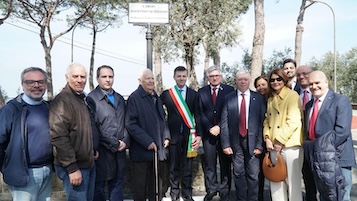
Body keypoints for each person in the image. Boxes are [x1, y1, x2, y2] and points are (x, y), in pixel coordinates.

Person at [0, 67, 53, 201]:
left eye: (40, 82)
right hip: (24, 175)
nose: (36, 85)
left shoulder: (48, 108)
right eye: (31, 82)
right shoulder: (11, 109)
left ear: (46, 84)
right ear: (22, 85)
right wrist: (7, 169)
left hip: (47, 170)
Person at [304, 71, 356, 201]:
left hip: (338, 159)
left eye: (317, 83)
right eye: (311, 84)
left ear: (326, 82)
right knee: (324, 196)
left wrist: (318, 147)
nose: (314, 86)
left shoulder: (340, 100)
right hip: (318, 161)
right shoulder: (309, 105)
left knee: (341, 197)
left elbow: (342, 131)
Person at [49, 63, 97, 201]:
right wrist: (72, 168)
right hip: (75, 167)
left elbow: (84, 129)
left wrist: (92, 149)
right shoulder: (63, 101)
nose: (80, 80)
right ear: (67, 77)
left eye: (83, 76)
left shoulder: (81, 99)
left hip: (87, 163)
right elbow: (59, 137)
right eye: (75, 76)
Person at [220, 71, 266, 201]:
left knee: (253, 174)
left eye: (245, 79)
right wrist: (226, 144)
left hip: (253, 142)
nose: (243, 81)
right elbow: (224, 123)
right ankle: (241, 198)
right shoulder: (229, 98)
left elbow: (263, 123)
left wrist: (259, 145)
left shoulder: (258, 98)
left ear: (249, 80)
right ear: (236, 81)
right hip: (235, 142)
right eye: (240, 79)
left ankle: (253, 198)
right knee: (238, 173)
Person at [125, 69, 170, 201]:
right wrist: (147, 142)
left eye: (152, 79)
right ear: (140, 81)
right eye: (147, 79)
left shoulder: (155, 97)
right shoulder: (134, 98)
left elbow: (162, 119)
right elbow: (130, 124)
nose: (150, 81)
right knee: (140, 189)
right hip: (141, 152)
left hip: (157, 152)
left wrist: (166, 136)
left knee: (156, 188)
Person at [87, 65, 129, 201]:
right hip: (103, 152)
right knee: (99, 188)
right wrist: (115, 143)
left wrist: (125, 141)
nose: (108, 80)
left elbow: (126, 122)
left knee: (118, 185)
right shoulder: (91, 99)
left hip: (120, 152)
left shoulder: (119, 98)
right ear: (97, 78)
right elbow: (95, 127)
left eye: (110, 77)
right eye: (104, 77)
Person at [160, 66, 201, 201]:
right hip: (173, 136)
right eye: (179, 76)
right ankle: (174, 193)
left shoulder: (194, 94)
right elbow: (160, 115)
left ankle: (187, 194)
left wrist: (199, 135)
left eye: (184, 76)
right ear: (174, 77)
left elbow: (198, 116)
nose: (181, 78)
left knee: (188, 167)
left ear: (187, 77)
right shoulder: (167, 94)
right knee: (173, 167)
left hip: (189, 137)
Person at [263, 68, 303, 201]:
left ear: (284, 80)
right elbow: (267, 121)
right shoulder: (270, 99)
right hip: (274, 147)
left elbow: (293, 121)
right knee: (275, 182)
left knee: (293, 184)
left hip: (290, 146)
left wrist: (279, 141)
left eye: (278, 79)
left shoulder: (292, 96)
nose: (275, 82)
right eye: (272, 80)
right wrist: (267, 138)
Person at [198, 65, 234, 201]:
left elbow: (232, 111)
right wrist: (209, 128)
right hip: (209, 135)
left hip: (225, 133)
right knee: (210, 163)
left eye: (216, 76)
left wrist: (219, 127)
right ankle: (212, 189)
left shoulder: (229, 90)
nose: (214, 78)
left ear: (221, 77)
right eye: (211, 76)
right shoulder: (201, 92)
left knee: (225, 163)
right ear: (208, 78)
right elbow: (200, 112)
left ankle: (225, 190)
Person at [296, 65, 317, 201]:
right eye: (299, 75)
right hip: (300, 142)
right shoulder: (293, 93)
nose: (301, 77)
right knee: (307, 176)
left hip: (318, 144)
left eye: (305, 74)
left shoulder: (319, 93)